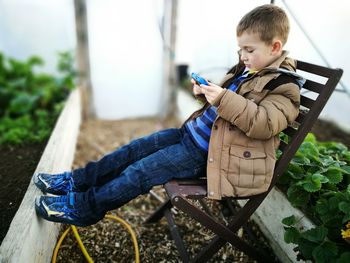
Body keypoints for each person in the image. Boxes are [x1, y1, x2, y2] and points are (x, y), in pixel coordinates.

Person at [34, 4, 302, 226]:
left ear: (275, 47)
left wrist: (223, 98)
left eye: (249, 50)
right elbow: (228, 109)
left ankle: (85, 208)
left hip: (207, 157)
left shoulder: (284, 87)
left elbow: (263, 123)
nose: (242, 55)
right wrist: (205, 93)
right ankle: (76, 182)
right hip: (189, 137)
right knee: (133, 150)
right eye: (240, 49)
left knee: (139, 172)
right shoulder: (250, 69)